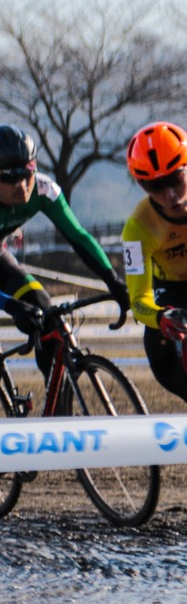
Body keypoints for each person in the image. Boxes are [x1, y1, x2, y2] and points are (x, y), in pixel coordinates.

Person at [0, 124, 128, 419]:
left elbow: (78, 237)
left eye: (27, 172)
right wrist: (13, 306)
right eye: (9, 177)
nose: (21, 184)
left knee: (48, 316)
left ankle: (53, 410)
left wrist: (113, 280)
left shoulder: (45, 190)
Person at [121, 121, 187, 403]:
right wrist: (159, 318)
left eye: (175, 179)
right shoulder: (137, 228)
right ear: (141, 183)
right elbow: (138, 300)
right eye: (155, 185)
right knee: (157, 346)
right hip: (171, 289)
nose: (169, 194)